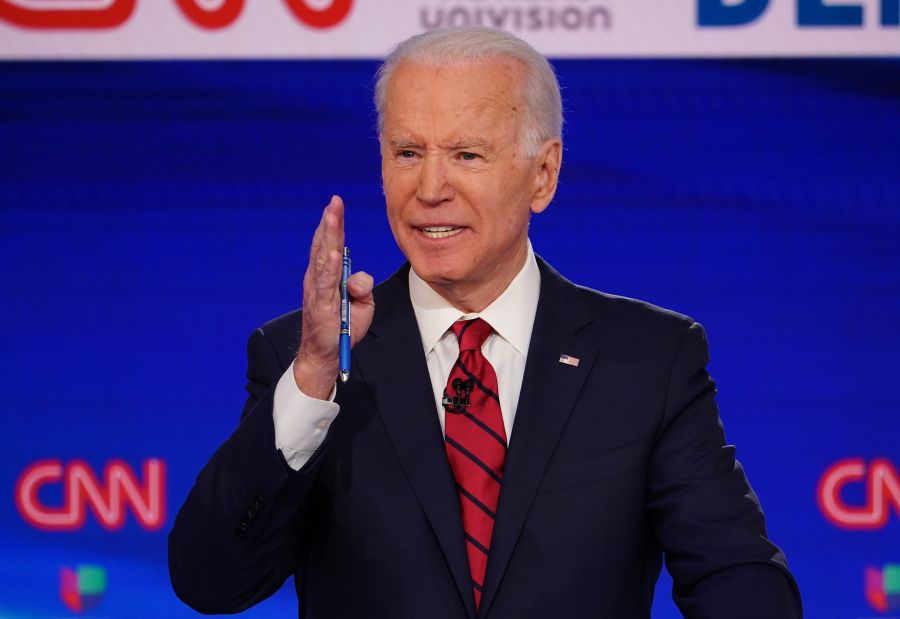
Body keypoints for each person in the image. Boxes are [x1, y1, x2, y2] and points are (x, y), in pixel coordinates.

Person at [168, 26, 802, 618]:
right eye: (408, 152)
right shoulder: (306, 358)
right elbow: (210, 580)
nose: (431, 188)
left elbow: (738, 577)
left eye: (468, 155)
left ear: (543, 174)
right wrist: (311, 380)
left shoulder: (649, 359)